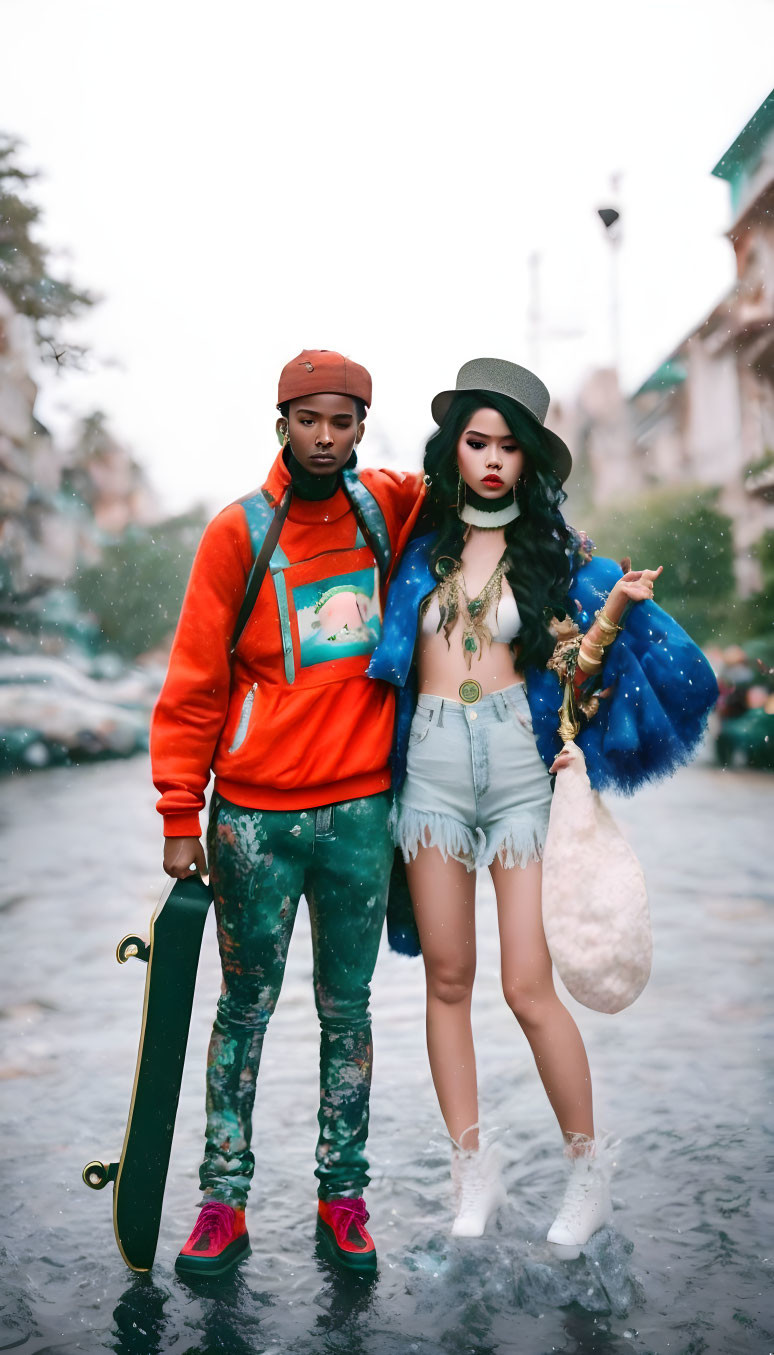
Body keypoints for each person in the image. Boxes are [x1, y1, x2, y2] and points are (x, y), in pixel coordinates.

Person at [368, 358, 718, 1256]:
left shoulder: (559, 557)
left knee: (529, 985)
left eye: (508, 446)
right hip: (432, 776)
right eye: (477, 442)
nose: (491, 460)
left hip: (520, 778)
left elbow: (601, 662)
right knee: (447, 980)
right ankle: (471, 1171)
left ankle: (587, 1171)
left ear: (530, 461)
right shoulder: (417, 541)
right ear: (455, 450)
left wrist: (584, 721)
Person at [151, 348, 424, 1275]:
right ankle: (221, 1201)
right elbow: (194, 685)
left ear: (359, 429)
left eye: (343, 421)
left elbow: (479, 488)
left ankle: (342, 1195)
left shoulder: (386, 509)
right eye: (309, 419)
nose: (326, 436)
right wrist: (179, 814)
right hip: (253, 823)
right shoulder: (239, 533)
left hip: (358, 817)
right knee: (244, 1012)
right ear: (282, 423)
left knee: (348, 1013)